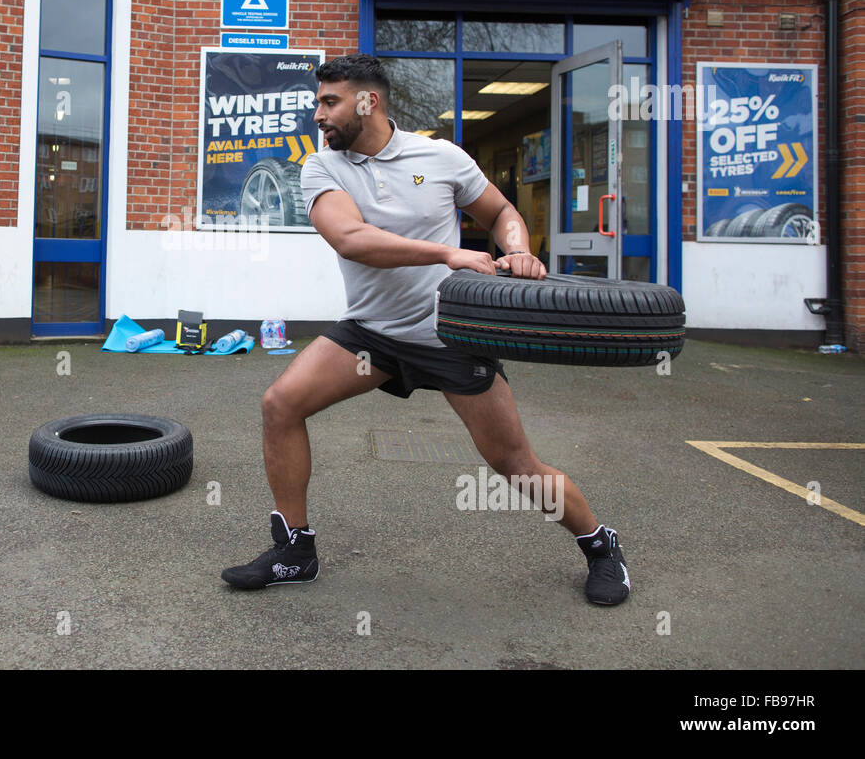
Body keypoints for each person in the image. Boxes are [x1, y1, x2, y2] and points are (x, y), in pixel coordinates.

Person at [220, 54, 629, 606]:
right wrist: (446, 252)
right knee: (280, 403)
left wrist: (518, 251)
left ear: (370, 102)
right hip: (372, 335)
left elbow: (502, 212)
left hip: (450, 336)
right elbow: (351, 239)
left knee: (513, 463)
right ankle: (295, 550)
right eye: (317, 102)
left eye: (329, 102)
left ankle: (600, 545)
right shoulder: (324, 167)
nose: (318, 115)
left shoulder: (439, 157)